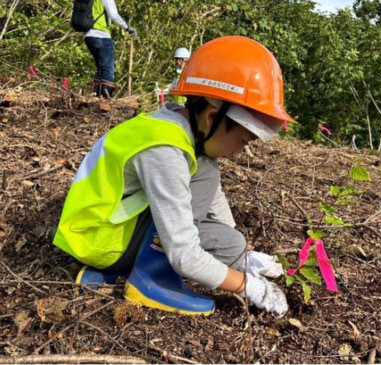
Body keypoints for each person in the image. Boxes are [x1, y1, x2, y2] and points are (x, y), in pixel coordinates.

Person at [53, 36, 296, 317]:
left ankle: (127, 271)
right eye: (244, 140)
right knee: (206, 173)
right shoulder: (165, 150)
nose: (241, 151)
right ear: (212, 118)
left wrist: (241, 257)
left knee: (231, 239)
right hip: (99, 240)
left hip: (113, 228)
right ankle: (151, 279)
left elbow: (214, 211)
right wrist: (248, 286)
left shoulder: (176, 129)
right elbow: (184, 254)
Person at [83, 0, 137, 98]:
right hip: (101, 35)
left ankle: (95, 97)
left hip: (88, 36)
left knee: (100, 70)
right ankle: (104, 99)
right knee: (107, 70)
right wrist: (127, 28)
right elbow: (114, 15)